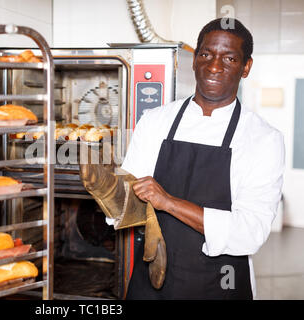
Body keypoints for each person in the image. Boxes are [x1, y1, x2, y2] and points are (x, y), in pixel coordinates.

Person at [121, 18, 285, 299]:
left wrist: (169, 202)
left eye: (229, 58)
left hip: (221, 283)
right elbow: (128, 202)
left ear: (246, 67)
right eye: (206, 54)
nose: (214, 66)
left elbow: (250, 232)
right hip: (152, 277)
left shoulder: (263, 139)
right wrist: (108, 189)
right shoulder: (155, 121)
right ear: (195, 59)